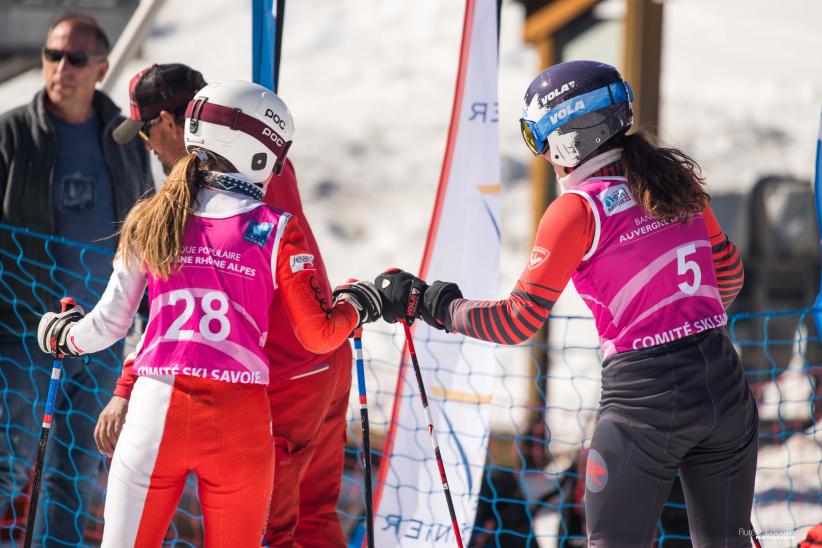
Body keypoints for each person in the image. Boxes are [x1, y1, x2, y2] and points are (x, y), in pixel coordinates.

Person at [375, 60, 757, 547]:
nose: (542, 156)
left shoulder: (577, 209)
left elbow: (517, 321)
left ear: (566, 138)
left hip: (645, 398)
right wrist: (683, 317)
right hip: (722, 383)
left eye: (536, 139)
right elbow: (728, 276)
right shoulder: (675, 183)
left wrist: (431, 303)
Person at [35, 79, 380, 546]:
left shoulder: (153, 214)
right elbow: (319, 334)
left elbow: (110, 324)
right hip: (241, 422)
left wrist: (63, 336)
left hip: (157, 409)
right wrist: (362, 302)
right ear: (259, 151)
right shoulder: (276, 227)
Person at [0, 13, 153, 545]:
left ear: (102, 68)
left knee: (72, 474)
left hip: (102, 334)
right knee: (10, 461)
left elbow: (149, 227)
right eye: (53, 55)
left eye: (76, 58)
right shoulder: (12, 133)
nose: (61, 67)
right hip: (23, 332)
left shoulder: (125, 137)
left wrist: (147, 318)